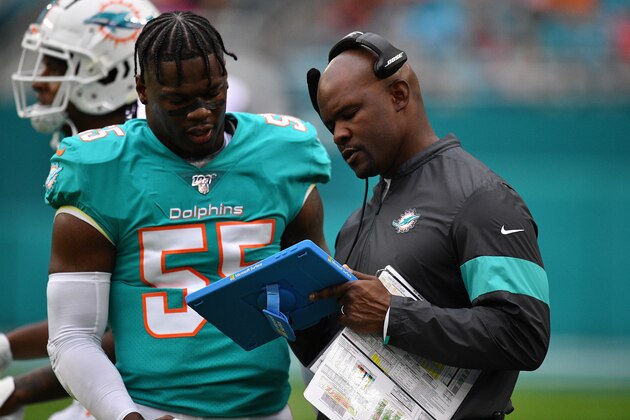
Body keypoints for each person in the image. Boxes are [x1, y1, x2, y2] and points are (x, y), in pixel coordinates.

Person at [44, 10, 331, 420]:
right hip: (150, 410)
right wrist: (125, 416)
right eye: (179, 101)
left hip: (264, 411)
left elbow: (316, 308)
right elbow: (71, 336)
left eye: (214, 92)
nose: (201, 112)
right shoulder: (99, 168)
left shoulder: (282, 154)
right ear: (142, 89)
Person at [300, 31, 550, 419]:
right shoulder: (355, 222)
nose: (338, 135)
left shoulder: (482, 197)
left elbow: (525, 335)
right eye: (331, 124)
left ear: (399, 95)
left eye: (349, 114)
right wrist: (294, 318)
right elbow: (338, 354)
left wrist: (390, 316)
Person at [2, 0, 159, 418]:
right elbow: (86, 327)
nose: (39, 80)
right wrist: (6, 349)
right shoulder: (103, 156)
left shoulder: (135, 169)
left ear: (110, 73)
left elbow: (140, 334)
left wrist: (16, 390)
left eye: (55, 63)